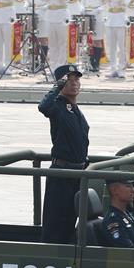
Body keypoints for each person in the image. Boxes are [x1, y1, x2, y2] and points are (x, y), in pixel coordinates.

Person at [39, 64, 89, 244]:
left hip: (77, 173)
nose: (74, 83)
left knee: (70, 222)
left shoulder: (75, 109)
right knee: (56, 223)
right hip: (62, 172)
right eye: (69, 80)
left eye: (77, 79)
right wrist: (57, 87)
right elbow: (43, 107)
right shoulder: (58, 106)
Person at [99, 179, 134, 248]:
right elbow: (128, 250)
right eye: (128, 186)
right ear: (115, 190)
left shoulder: (127, 214)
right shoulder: (112, 221)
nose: (133, 190)